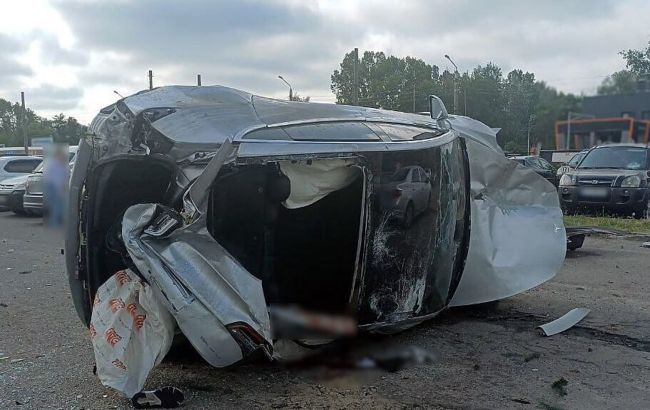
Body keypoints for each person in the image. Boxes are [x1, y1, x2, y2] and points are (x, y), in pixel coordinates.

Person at [43, 146, 69, 227]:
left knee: (58, 206)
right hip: (55, 188)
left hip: (56, 188)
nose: (62, 157)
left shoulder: (58, 164)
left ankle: (55, 222)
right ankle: (55, 223)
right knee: (57, 206)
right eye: (61, 155)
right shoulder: (55, 165)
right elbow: (55, 179)